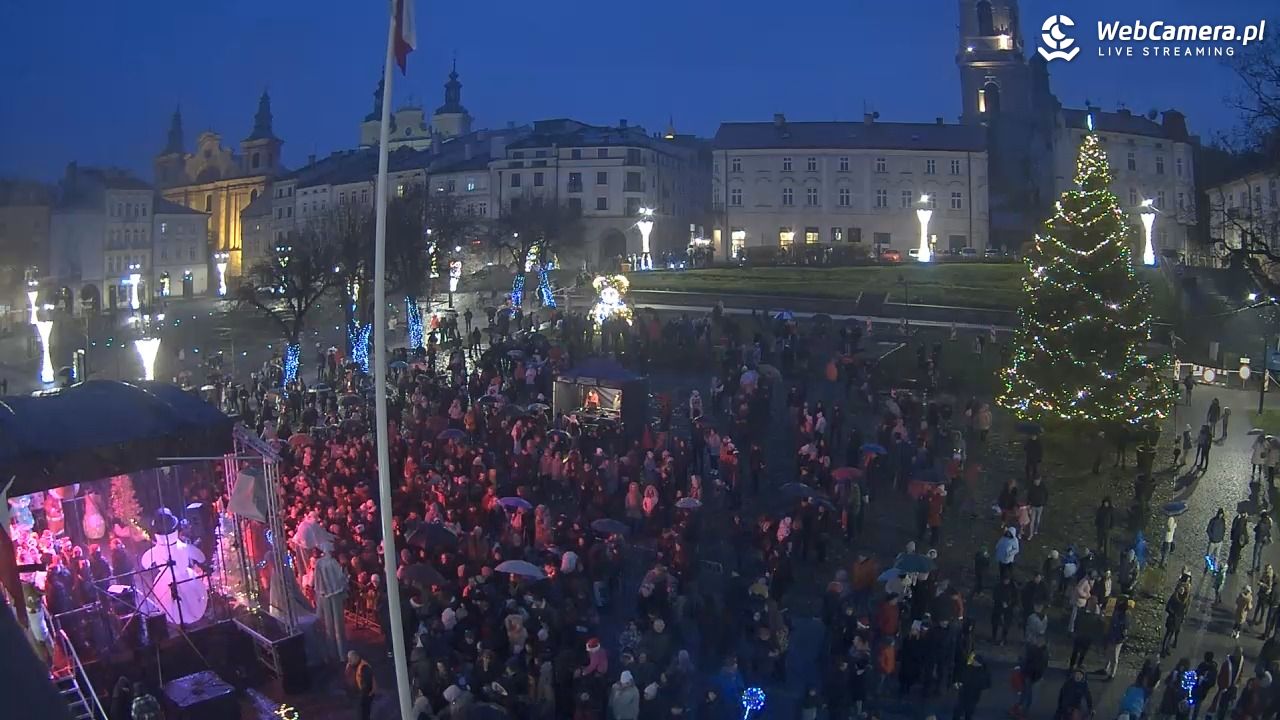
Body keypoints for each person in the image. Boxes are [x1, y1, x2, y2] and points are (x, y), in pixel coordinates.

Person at [952, 653, 991, 720]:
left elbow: (986, 684)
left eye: (974, 660)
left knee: (968, 710)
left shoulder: (982, 672)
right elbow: (960, 677)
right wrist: (958, 683)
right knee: (959, 709)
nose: (972, 662)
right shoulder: (969, 668)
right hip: (965, 692)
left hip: (973, 694)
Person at [347, 650, 375, 720]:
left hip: (367, 695)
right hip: (361, 695)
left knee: (364, 715)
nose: (349, 661)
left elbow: (367, 684)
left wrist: (361, 696)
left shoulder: (364, 667)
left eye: (351, 658)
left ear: (357, 657)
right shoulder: (354, 666)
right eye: (348, 658)